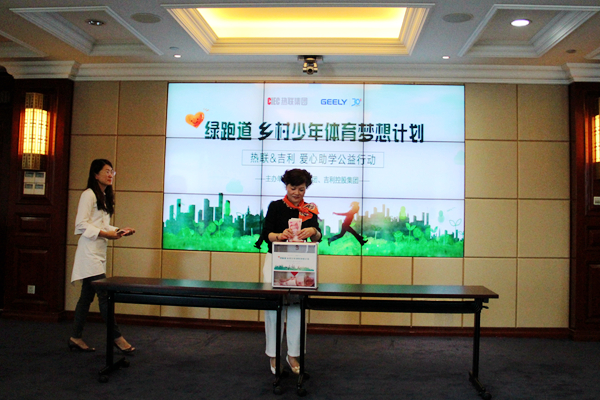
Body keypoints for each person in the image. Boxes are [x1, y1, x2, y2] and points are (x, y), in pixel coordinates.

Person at [68, 159, 136, 355]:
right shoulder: (88, 194)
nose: (110, 175)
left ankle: (75, 337)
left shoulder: (104, 196)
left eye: (111, 171)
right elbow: (81, 225)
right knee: (104, 295)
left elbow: (102, 225)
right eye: (106, 171)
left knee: (86, 297)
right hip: (89, 253)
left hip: (97, 252)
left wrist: (119, 230)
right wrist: (107, 234)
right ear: (95, 175)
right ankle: (117, 338)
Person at [260, 169, 321, 375]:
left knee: (297, 307)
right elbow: (266, 234)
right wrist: (279, 235)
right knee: (273, 307)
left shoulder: (310, 209)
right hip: (276, 259)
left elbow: (318, 236)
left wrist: (313, 231)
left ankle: (293, 355)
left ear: (306, 189)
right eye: (293, 188)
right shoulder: (276, 206)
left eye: (301, 189)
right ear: (286, 186)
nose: (296, 193)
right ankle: (274, 355)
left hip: (301, 261)